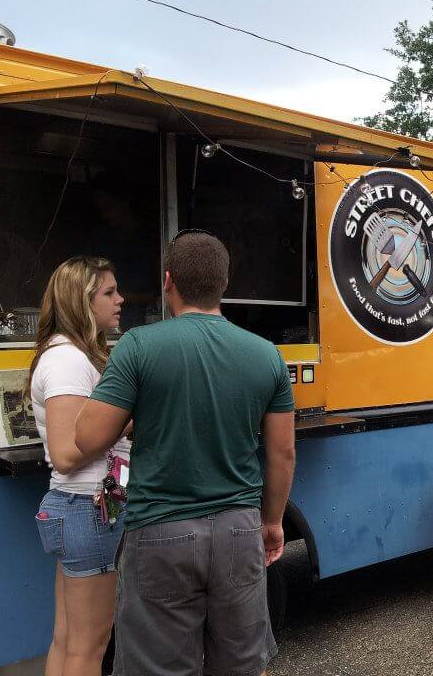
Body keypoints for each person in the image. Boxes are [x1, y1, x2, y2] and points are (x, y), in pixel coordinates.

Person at [73, 231, 296, 676]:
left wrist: (139, 410)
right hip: (238, 530)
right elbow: (283, 453)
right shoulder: (266, 356)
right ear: (224, 284)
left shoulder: (138, 346)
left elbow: (88, 438)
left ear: (168, 281)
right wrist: (271, 522)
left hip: (160, 532)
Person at [29, 256, 129, 676]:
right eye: (108, 292)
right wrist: (125, 417)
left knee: (69, 640)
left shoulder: (67, 354)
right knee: (91, 647)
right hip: (88, 509)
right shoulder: (68, 360)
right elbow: (67, 453)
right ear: (80, 302)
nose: (120, 299)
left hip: (79, 509)